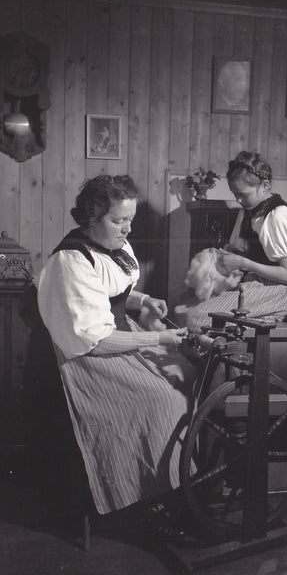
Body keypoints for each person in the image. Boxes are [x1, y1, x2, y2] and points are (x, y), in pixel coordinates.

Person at [35, 174, 195, 535]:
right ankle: (144, 497)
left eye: (130, 220)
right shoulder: (70, 262)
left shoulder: (115, 247)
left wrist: (143, 300)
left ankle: (176, 486)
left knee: (183, 373)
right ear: (92, 218)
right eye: (118, 220)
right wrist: (158, 339)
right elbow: (94, 339)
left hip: (117, 334)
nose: (126, 229)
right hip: (83, 355)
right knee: (163, 397)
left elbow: (112, 291)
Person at [186, 151, 287, 333]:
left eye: (243, 194)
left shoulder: (278, 216)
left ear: (265, 186)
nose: (238, 200)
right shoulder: (248, 211)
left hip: (277, 290)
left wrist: (243, 263)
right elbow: (240, 249)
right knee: (191, 309)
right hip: (255, 283)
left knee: (197, 318)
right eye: (235, 194)